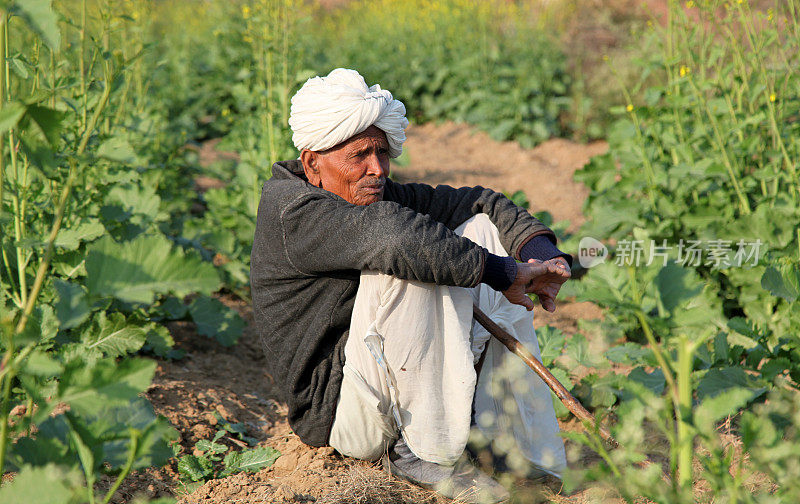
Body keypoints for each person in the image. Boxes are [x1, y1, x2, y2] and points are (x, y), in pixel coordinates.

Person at [250, 68, 571, 503]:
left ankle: (497, 438)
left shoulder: (369, 194)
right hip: (342, 414)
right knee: (412, 255)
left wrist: (538, 256)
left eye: (382, 153)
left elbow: (479, 202)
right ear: (312, 163)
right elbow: (395, 237)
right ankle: (425, 452)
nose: (378, 169)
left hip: (378, 387)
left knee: (477, 228)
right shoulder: (294, 212)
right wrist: (505, 274)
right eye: (359, 155)